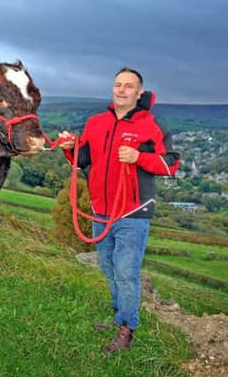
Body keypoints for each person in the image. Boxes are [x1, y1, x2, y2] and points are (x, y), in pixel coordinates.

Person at [58, 68, 179, 353]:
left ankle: (128, 328)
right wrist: (70, 147)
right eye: (118, 85)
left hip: (133, 213)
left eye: (129, 86)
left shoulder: (151, 125)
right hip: (100, 210)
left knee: (126, 272)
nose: (121, 90)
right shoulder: (95, 122)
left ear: (139, 94)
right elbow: (82, 160)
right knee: (108, 267)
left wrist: (139, 157)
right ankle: (119, 315)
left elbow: (171, 164)